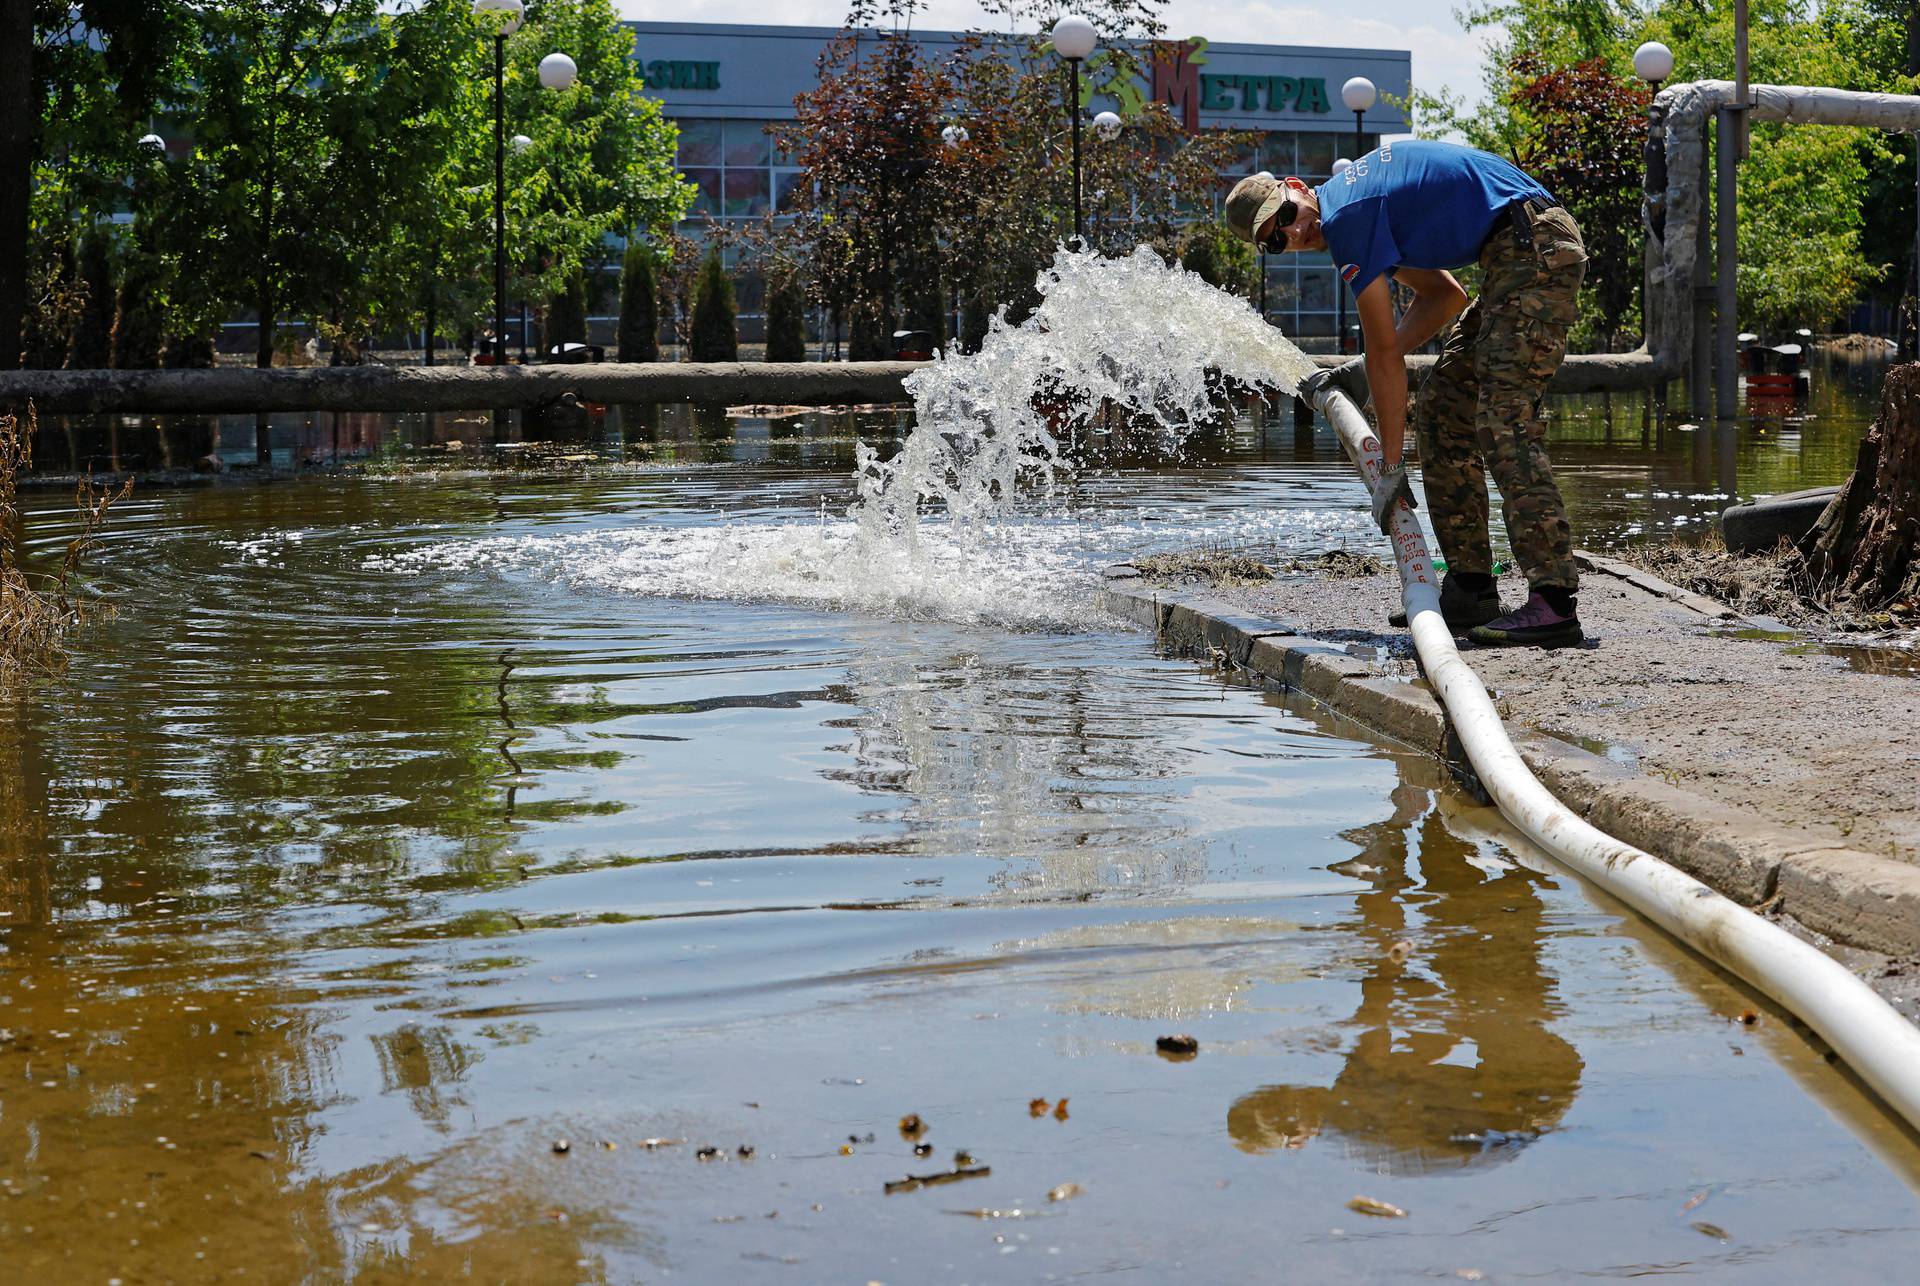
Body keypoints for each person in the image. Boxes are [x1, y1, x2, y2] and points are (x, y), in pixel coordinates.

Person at [1223, 141, 1588, 648]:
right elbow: (1445, 297)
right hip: (1513, 252)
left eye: (1286, 214)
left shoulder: (1347, 217)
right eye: (1277, 240)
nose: (1294, 231)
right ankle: (1472, 587)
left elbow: (1385, 354)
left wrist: (1389, 466)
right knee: (1443, 407)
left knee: (1504, 417)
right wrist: (1362, 368)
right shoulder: (1358, 214)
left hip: (1531, 245)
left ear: (1299, 189)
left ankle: (1553, 600)